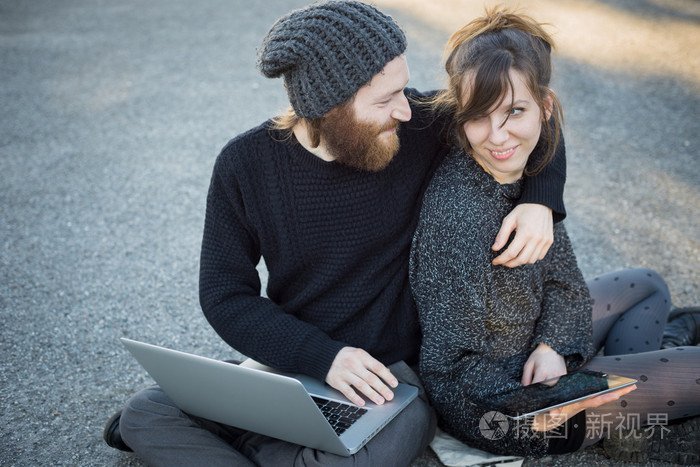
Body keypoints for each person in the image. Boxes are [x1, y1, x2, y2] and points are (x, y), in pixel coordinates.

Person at [102, 2, 570, 465]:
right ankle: (278, 447)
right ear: (329, 107)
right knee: (146, 410)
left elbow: (525, 110)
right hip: (296, 369)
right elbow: (225, 295)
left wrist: (540, 199)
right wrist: (323, 357)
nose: (406, 110)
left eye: (403, 90)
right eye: (386, 100)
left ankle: (249, 446)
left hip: (390, 382)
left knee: (373, 451)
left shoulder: (422, 126)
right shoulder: (245, 165)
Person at [409, 7, 700, 463]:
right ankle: (627, 403)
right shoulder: (460, 215)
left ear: (545, 108)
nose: (496, 135)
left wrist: (552, 347)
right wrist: (549, 396)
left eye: (514, 111)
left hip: (532, 340)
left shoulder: (527, 177)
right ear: (458, 114)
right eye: (478, 117)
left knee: (648, 284)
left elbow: (564, 280)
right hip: (504, 409)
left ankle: (631, 407)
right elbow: (451, 364)